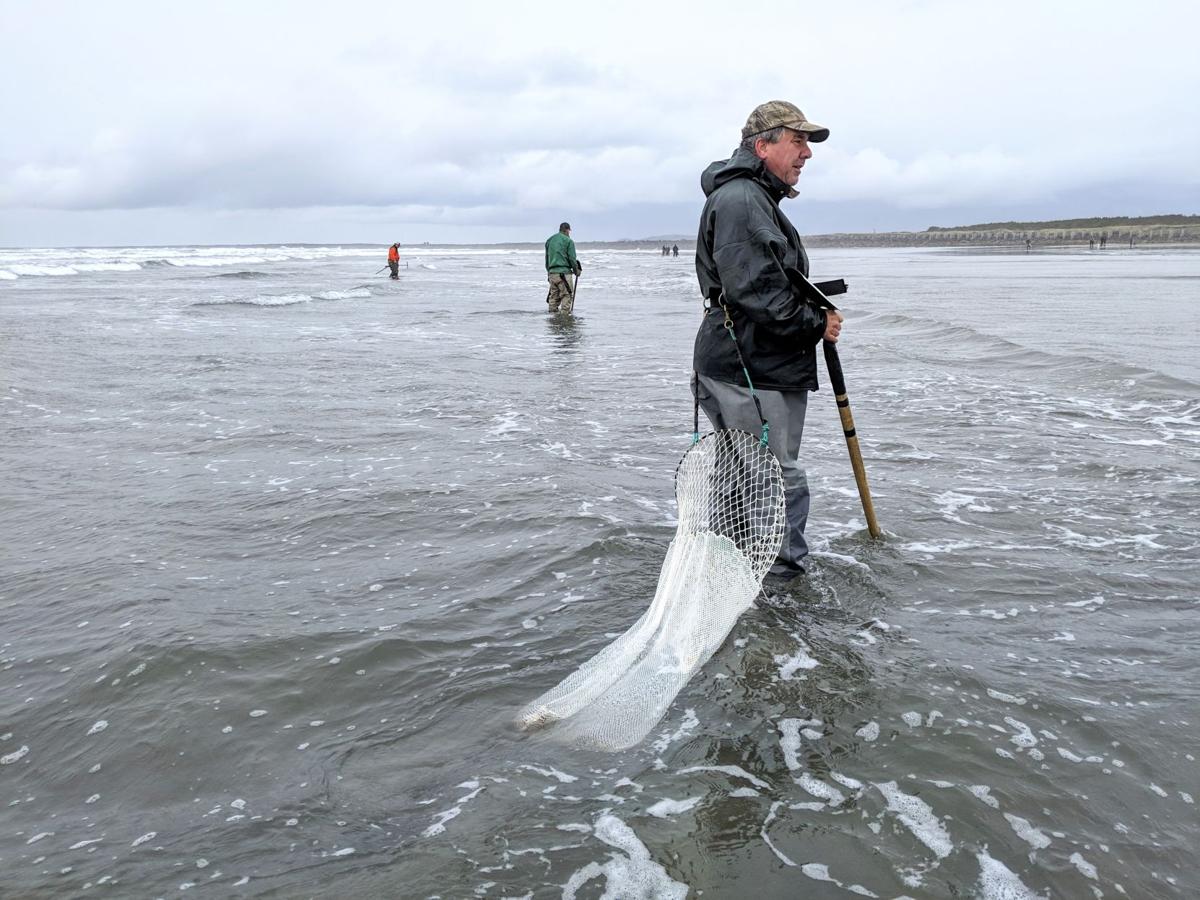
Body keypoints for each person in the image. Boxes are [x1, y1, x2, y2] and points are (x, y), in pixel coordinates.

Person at [692, 100, 843, 584]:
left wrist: (814, 310)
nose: (806, 154)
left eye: (807, 143)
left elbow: (764, 281)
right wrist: (815, 325)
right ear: (763, 145)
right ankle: (781, 587)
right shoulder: (742, 199)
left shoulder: (752, 196)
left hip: (746, 361)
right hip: (749, 364)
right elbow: (755, 289)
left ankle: (730, 573)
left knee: (742, 476)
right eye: (797, 141)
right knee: (775, 477)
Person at [545, 222, 582, 314]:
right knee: (567, 295)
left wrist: (549, 272)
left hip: (552, 274)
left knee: (553, 297)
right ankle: (565, 321)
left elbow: (547, 259)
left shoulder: (549, 240)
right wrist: (576, 270)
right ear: (567, 230)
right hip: (564, 274)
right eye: (569, 231)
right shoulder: (568, 241)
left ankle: (553, 321)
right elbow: (572, 259)